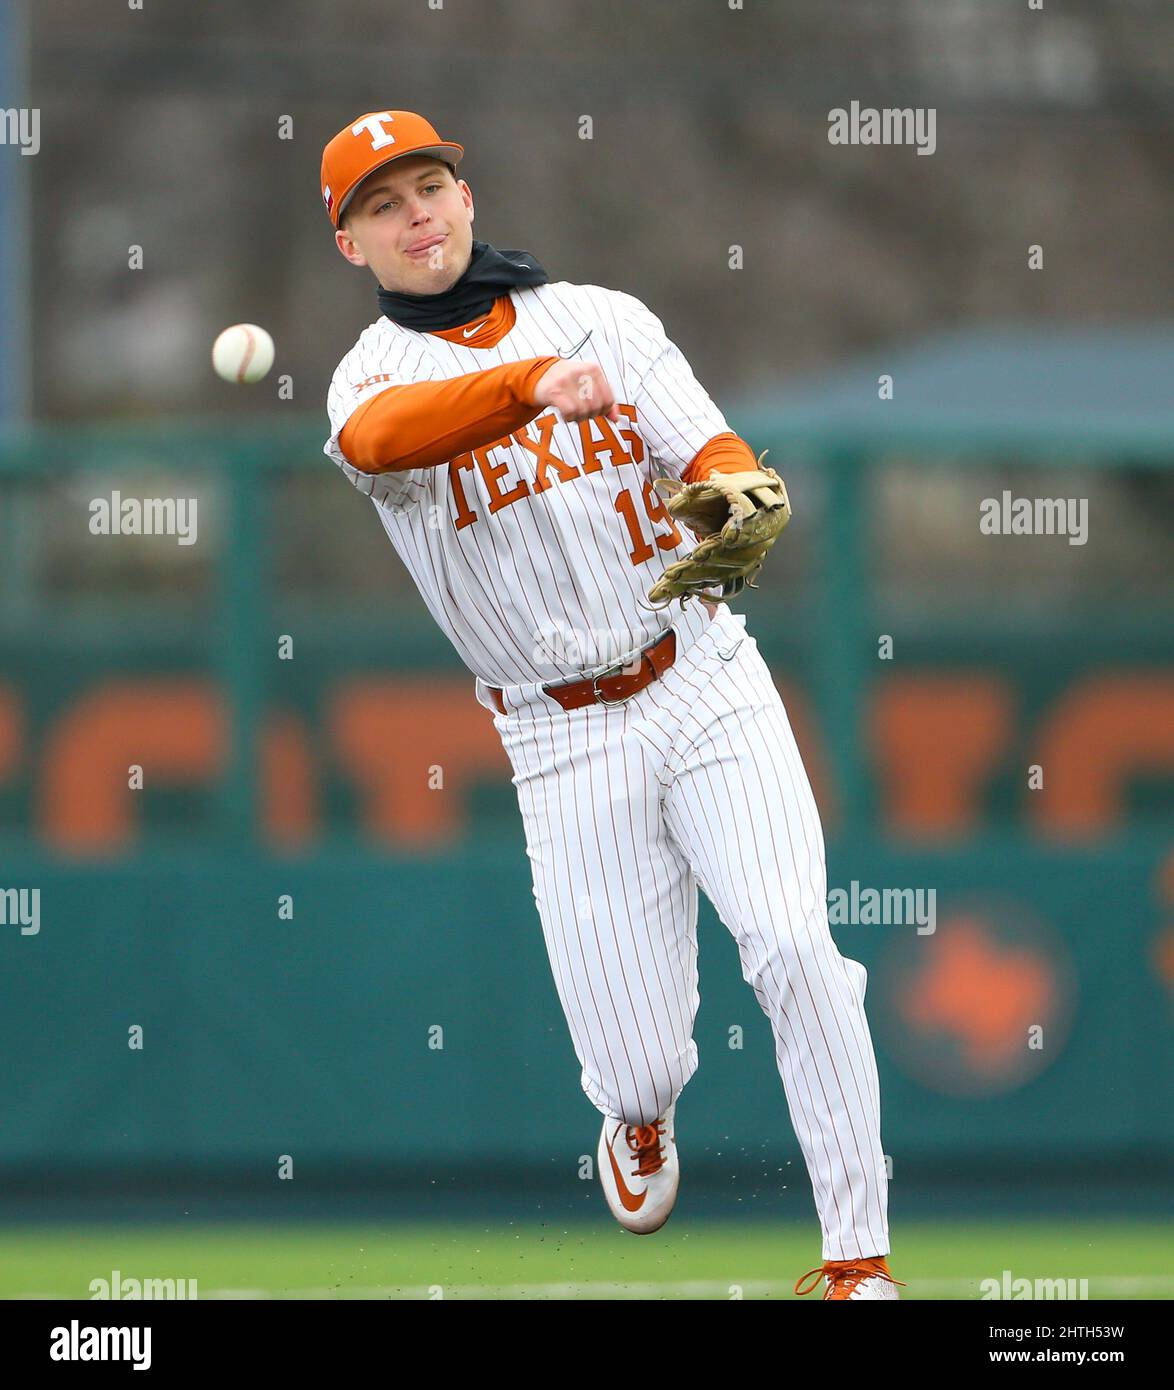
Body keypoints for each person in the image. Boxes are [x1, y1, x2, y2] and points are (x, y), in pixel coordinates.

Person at [320, 109, 901, 1300]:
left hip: (700, 672)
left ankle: (859, 1262)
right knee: (636, 1061)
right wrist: (532, 386)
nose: (415, 213)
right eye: (382, 205)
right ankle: (638, 1115)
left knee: (798, 948)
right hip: (558, 729)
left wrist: (734, 486)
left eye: (429, 185)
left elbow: (709, 447)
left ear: (467, 200)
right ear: (351, 247)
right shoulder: (370, 375)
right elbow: (381, 442)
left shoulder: (604, 316)